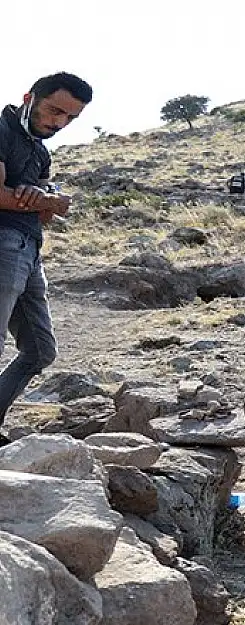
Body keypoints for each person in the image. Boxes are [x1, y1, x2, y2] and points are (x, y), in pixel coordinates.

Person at [0, 72, 92, 445]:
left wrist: (42, 198)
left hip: (29, 251)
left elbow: (44, 212)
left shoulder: (40, 150)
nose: (58, 122)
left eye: (69, 118)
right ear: (29, 97)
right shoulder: (2, 129)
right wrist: (46, 199)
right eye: (54, 111)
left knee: (39, 351)